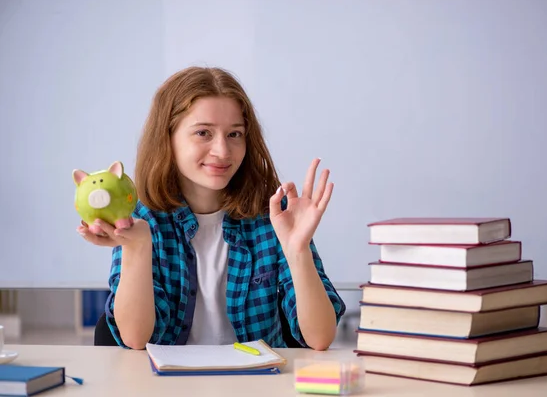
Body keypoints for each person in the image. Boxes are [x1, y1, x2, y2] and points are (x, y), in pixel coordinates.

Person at [76, 66, 346, 351]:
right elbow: (135, 339)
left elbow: (320, 338)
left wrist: (297, 251)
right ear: (167, 139)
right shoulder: (142, 220)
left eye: (235, 134)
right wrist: (137, 248)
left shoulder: (274, 215)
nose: (222, 151)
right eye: (203, 133)